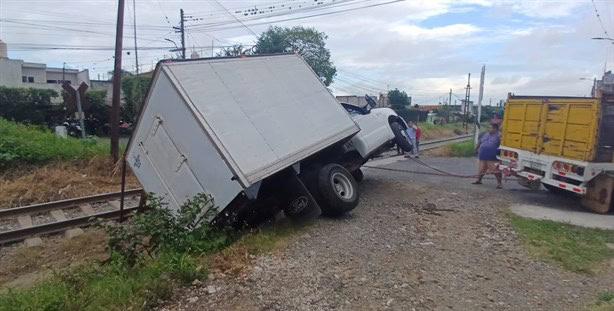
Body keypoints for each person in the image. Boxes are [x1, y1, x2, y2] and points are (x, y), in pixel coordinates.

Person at [473, 123, 503, 188]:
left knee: (496, 170)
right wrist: (476, 149)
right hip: (482, 155)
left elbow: (503, 146)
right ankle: (478, 180)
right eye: (489, 128)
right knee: (481, 169)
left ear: (495, 129)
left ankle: (499, 183)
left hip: (493, 157)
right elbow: (479, 142)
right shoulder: (485, 134)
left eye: (491, 128)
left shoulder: (499, 136)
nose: (489, 129)